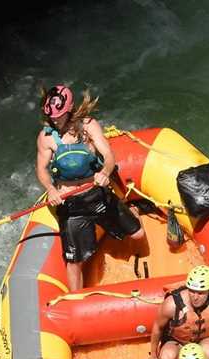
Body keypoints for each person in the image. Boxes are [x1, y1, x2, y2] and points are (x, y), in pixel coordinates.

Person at [36, 84, 146, 291]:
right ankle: (76, 298)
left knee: (138, 234)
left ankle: (133, 210)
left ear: (69, 109)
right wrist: (50, 189)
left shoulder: (88, 126)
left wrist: (105, 172)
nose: (55, 119)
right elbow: (41, 169)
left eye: (59, 115)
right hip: (71, 204)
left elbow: (109, 155)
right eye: (51, 116)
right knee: (73, 261)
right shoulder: (46, 137)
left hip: (96, 193)